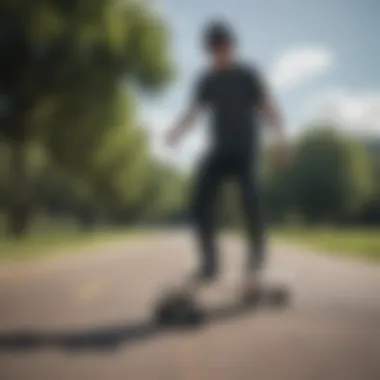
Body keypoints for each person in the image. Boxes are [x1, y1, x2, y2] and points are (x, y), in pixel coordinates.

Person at [165, 20, 288, 289]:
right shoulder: (206, 80)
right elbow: (193, 111)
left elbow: (268, 107)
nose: (217, 54)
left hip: (246, 152)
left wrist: (280, 141)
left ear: (231, 47)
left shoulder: (247, 75)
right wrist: (176, 132)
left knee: (252, 203)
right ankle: (210, 266)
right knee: (199, 202)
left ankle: (255, 267)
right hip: (219, 152)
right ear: (208, 51)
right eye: (212, 50)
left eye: (221, 48)